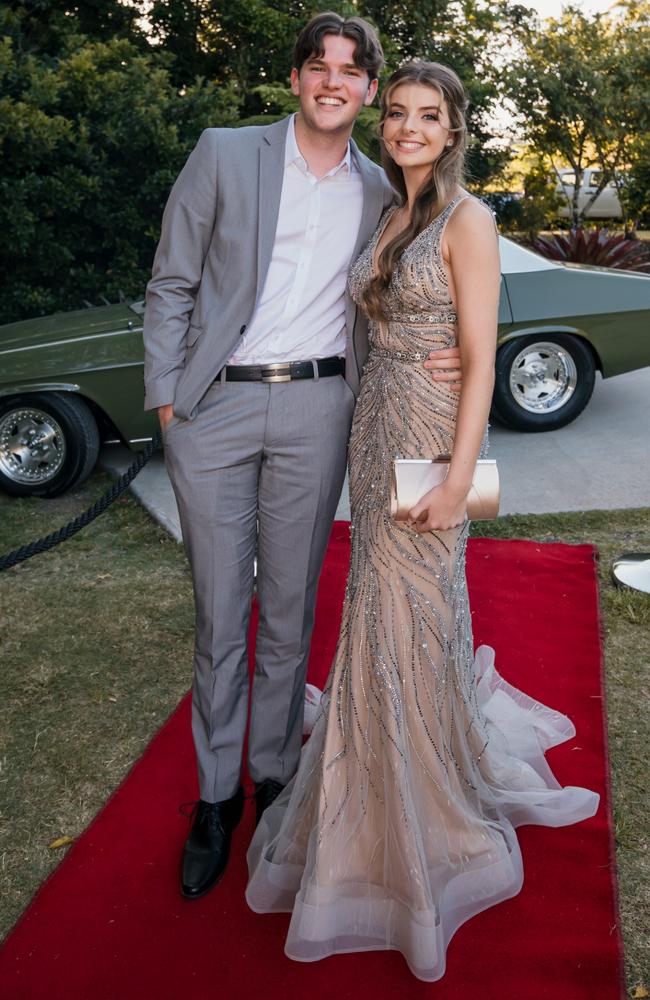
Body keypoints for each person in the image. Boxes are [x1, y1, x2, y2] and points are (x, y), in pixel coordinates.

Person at [245, 61, 600, 982]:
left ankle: (421, 796)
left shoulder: (468, 219)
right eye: (396, 113)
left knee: (418, 604)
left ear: (454, 129)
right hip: (377, 429)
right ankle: (379, 765)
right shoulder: (388, 210)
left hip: (435, 441)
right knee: (380, 603)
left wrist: (455, 473)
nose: (406, 127)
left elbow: (481, 361)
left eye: (426, 116)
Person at [142, 13, 463, 901]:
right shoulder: (224, 152)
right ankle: (215, 798)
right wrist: (170, 401)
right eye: (318, 65)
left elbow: (431, 279)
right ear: (294, 79)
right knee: (220, 613)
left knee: (289, 608)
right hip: (215, 409)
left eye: (352, 70)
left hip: (324, 407)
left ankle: (275, 779)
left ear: (368, 91)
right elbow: (171, 279)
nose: (334, 81)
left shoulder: (382, 190)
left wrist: (462, 350)